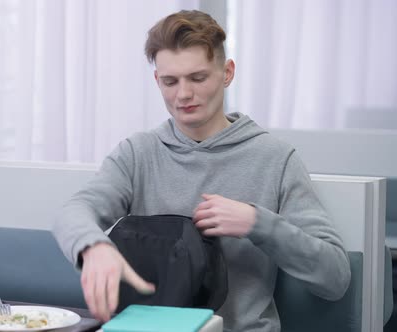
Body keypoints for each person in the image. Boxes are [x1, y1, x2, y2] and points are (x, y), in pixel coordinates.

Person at [52, 9, 351, 332]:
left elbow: (334, 278)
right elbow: (74, 211)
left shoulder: (275, 159)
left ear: (227, 72)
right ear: (157, 80)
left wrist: (258, 223)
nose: (183, 94)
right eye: (170, 81)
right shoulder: (138, 153)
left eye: (198, 78)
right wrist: (93, 247)